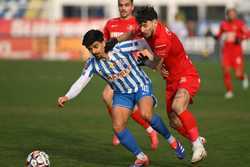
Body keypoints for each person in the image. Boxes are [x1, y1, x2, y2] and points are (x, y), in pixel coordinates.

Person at [57, 29, 185, 166]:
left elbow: (142, 43)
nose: (94, 51)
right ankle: (141, 157)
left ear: (103, 42)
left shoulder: (120, 47)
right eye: (90, 49)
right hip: (121, 94)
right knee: (118, 127)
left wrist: (154, 61)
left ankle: (173, 142)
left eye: (95, 46)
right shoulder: (92, 63)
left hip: (141, 85)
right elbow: (81, 81)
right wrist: (67, 96)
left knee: (146, 114)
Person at [105, 6, 207, 164]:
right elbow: (132, 33)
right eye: (141, 25)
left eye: (145, 25)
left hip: (186, 75)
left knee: (178, 106)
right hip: (171, 79)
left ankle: (197, 147)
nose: (143, 29)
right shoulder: (144, 29)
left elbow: (156, 66)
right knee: (173, 122)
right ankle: (196, 138)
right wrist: (114, 40)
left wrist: (143, 61)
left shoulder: (162, 40)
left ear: (154, 22)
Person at [102, 0, 159, 149]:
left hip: (131, 68)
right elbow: (105, 45)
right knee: (108, 98)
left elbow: (147, 42)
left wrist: (150, 59)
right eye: (121, 5)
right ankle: (124, 128)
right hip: (115, 68)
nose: (123, 8)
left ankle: (124, 129)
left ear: (132, 6)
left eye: (126, 5)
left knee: (109, 96)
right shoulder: (110, 24)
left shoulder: (138, 22)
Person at [215, 8, 249, 99]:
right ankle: (229, 91)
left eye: (233, 14)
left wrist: (240, 37)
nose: (231, 15)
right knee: (226, 71)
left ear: (236, 15)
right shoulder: (223, 24)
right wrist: (216, 37)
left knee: (238, 74)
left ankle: (243, 77)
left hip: (237, 53)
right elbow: (219, 34)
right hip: (226, 52)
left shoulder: (240, 24)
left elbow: (248, 34)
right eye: (230, 14)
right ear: (227, 15)